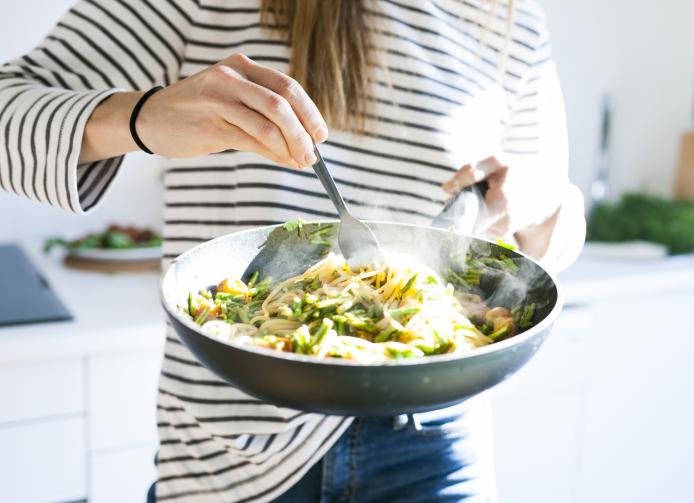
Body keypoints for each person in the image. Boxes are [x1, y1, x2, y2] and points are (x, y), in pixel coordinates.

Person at [0, 0, 585, 501]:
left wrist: (545, 200)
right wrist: (140, 116)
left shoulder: (509, 16)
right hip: (230, 454)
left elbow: (552, 240)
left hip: (434, 445)